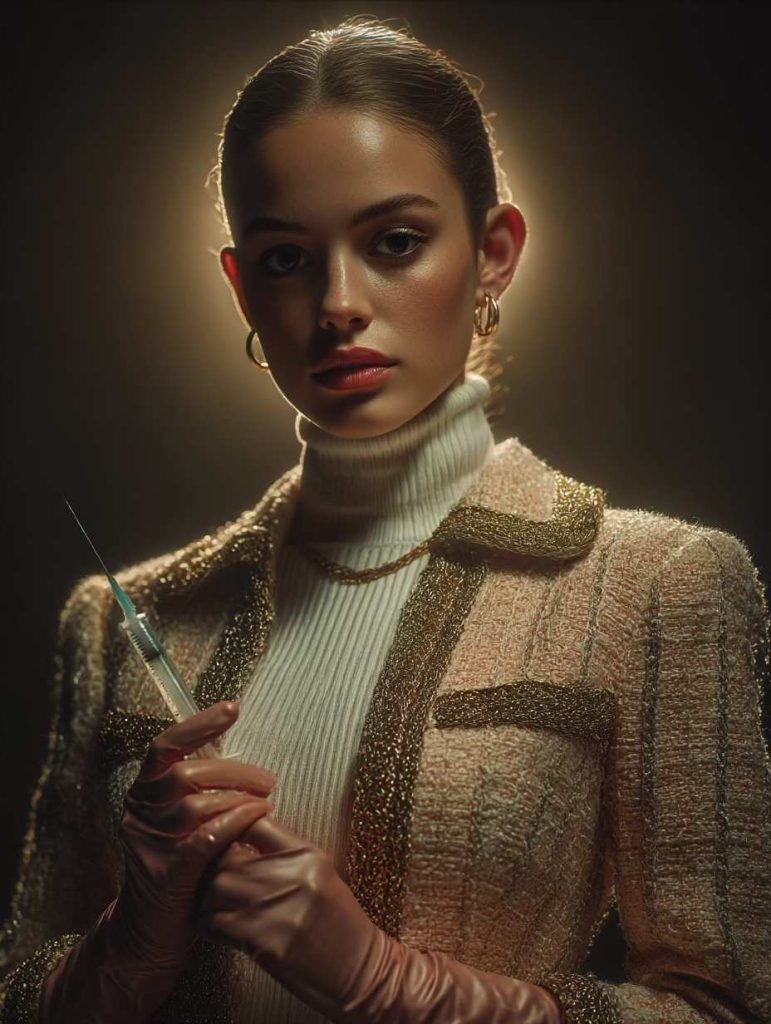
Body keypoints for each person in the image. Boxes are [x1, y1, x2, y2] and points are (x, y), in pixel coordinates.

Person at [1, 14, 769, 1024]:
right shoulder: (120, 622)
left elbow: (729, 1009)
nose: (338, 303)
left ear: (494, 251)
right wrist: (128, 945)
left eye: (395, 242)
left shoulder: (657, 587)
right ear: (240, 284)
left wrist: (389, 984)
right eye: (285, 259)